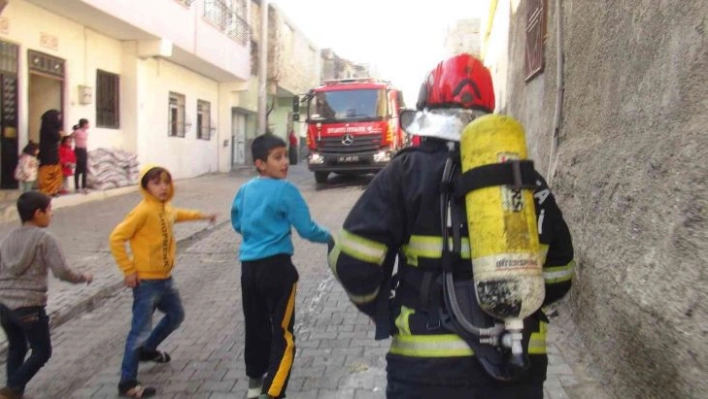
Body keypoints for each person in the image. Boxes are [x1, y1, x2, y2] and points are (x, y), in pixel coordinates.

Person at [327, 54, 575, 398]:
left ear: (427, 109)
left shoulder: (404, 174)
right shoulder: (527, 181)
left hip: (427, 371)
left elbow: (352, 263)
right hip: (515, 366)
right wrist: (512, 298)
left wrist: (384, 307)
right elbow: (561, 275)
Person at [231, 135, 331, 399]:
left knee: (255, 327)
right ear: (261, 163)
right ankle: (273, 392)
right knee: (283, 333)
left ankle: (254, 387)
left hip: (249, 270)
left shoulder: (245, 190)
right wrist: (332, 238)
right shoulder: (286, 191)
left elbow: (237, 223)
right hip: (277, 270)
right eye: (278, 157)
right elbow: (308, 229)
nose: (286, 162)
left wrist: (257, 233)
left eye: (286, 156)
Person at [109, 165, 217, 398]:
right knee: (138, 331)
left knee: (176, 315)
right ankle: (127, 383)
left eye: (166, 182)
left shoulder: (165, 208)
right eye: (156, 183)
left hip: (166, 280)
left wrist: (203, 215)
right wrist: (128, 269)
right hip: (146, 282)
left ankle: (148, 350)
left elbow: (179, 214)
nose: (163, 187)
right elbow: (117, 238)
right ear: (146, 186)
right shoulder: (143, 211)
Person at [0, 191, 93, 399]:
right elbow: (62, 271)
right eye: (50, 210)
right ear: (38, 213)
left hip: (4, 306)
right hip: (29, 306)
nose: (52, 214)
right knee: (42, 351)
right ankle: (11, 389)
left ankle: (14, 392)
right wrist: (84, 276)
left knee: (17, 347)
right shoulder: (45, 239)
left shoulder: (7, 239)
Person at [37, 110, 63, 197]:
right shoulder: (48, 128)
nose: (59, 119)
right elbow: (55, 137)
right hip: (48, 153)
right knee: (48, 172)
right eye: (58, 117)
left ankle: (53, 190)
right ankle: (47, 190)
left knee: (56, 171)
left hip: (52, 152)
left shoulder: (49, 127)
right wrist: (60, 134)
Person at [71, 119, 89, 194]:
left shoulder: (86, 132)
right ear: (84, 124)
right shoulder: (77, 132)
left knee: (84, 169)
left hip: (84, 150)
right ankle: (77, 187)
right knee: (78, 169)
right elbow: (70, 137)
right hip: (78, 151)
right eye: (87, 124)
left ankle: (84, 187)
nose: (88, 125)